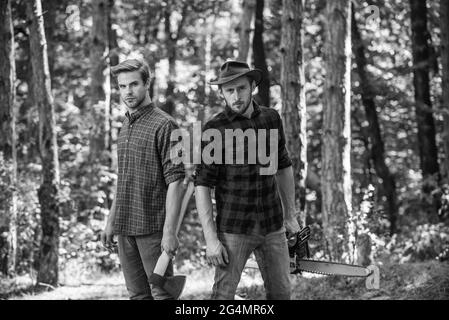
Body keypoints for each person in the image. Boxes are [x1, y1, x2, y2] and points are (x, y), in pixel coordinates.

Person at [193, 60, 301, 300]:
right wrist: (211, 240)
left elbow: (283, 167)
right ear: (221, 93)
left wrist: (290, 215)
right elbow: (201, 185)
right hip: (234, 228)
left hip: (273, 225)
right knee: (223, 295)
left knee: (282, 293)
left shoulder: (271, 119)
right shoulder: (215, 129)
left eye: (241, 88)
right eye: (229, 90)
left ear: (252, 86)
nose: (236, 95)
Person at [100, 59, 185, 300]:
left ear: (147, 83)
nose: (128, 91)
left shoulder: (166, 124)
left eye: (134, 84)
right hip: (125, 226)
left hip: (153, 228)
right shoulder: (125, 125)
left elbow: (176, 181)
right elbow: (124, 179)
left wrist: (170, 232)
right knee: (137, 295)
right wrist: (111, 221)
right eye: (122, 86)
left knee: (162, 294)